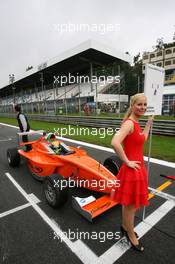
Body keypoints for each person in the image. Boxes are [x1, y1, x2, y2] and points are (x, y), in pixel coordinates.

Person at [111, 93, 154, 252]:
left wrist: (148, 124)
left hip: (138, 169)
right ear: (132, 105)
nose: (142, 107)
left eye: (145, 104)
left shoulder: (136, 123)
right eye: (139, 104)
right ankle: (130, 234)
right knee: (131, 207)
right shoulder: (129, 123)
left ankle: (124, 226)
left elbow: (142, 138)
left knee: (128, 205)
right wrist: (127, 161)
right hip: (132, 171)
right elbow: (115, 142)